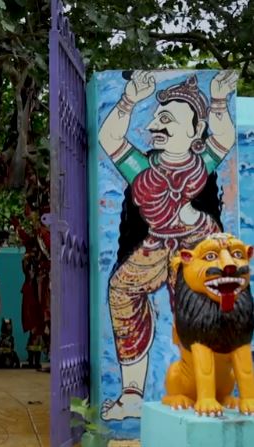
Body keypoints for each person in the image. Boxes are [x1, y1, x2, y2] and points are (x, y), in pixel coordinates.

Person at [97, 71, 237, 420]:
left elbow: (225, 136)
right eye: (158, 118)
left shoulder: (200, 165)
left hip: (197, 245)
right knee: (121, 291)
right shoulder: (143, 169)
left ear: (194, 132)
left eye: (168, 119)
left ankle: (210, 389)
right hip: (156, 244)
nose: (157, 125)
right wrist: (129, 100)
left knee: (202, 308)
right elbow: (108, 137)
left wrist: (219, 101)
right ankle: (131, 394)